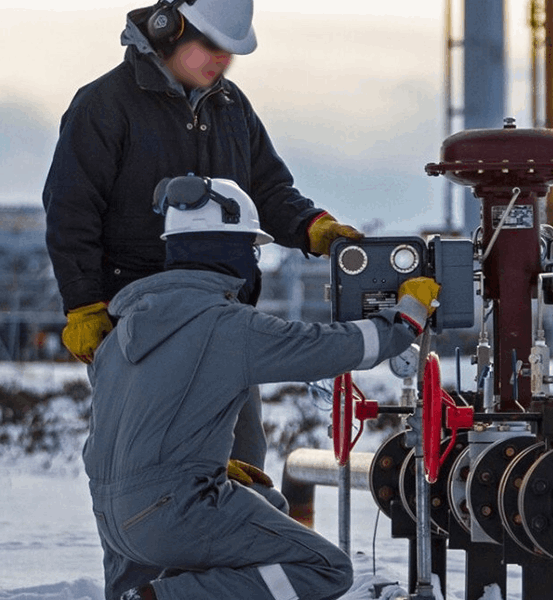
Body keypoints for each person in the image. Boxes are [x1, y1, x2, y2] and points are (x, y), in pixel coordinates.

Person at [41, 0, 363, 473]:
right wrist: (84, 304)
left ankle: (241, 545)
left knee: (243, 457)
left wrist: (313, 227)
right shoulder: (103, 106)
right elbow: (72, 212)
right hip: (141, 325)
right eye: (211, 46)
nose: (222, 60)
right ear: (170, 30)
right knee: (156, 466)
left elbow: (269, 189)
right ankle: (157, 548)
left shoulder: (232, 108)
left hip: (224, 316)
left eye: (230, 52)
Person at [83, 176, 441, 600]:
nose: (254, 263)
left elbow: (122, 430)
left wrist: (191, 461)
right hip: (171, 515)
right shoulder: (225, 324)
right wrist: (405, 320)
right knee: (325, 568)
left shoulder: (124, 330)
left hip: (113, 519)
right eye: (251, 250)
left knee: (263, 502)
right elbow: (327, 347)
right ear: (228, 250)